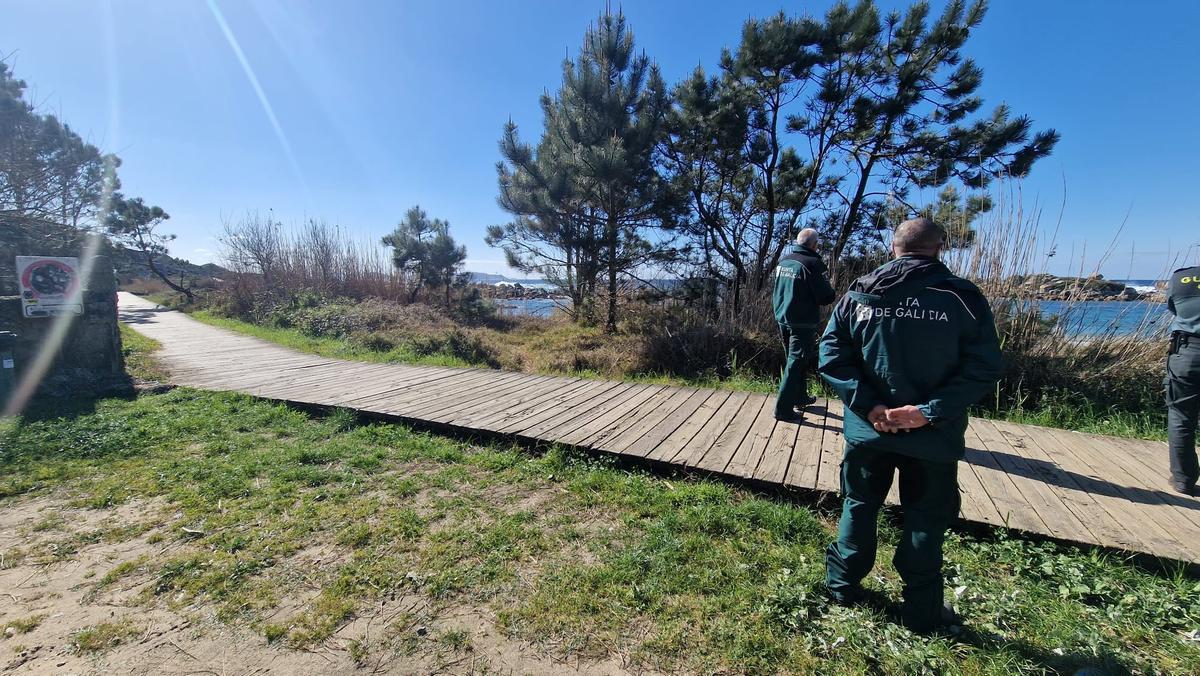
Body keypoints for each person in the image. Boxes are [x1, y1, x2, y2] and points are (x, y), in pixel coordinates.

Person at [817, 217, 1002, 634]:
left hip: (869, 432)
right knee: (925, 518)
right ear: (939, 247)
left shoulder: (861, 292)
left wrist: (871, 408)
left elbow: (831, 354)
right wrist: (927, 412)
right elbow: (984, 367)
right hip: (932, 438)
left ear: (893, 246)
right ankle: (922, 611)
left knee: (859, 505)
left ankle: (842, 587)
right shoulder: (962, 297)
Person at [771, 228, 836, 422]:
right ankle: (783, 409)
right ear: (815, 244)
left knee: (795, 360)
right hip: (802, 321)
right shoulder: (813, 263)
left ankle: (799, 397)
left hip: (783, 317)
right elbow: (826, 297)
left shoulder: (784, 260)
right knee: (797, 361)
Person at [1166, 264, 1200, 496]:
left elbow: (1173, 307)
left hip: (1188, 351)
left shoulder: (1182, 277)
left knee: (1181, 415)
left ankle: (1183, 479)